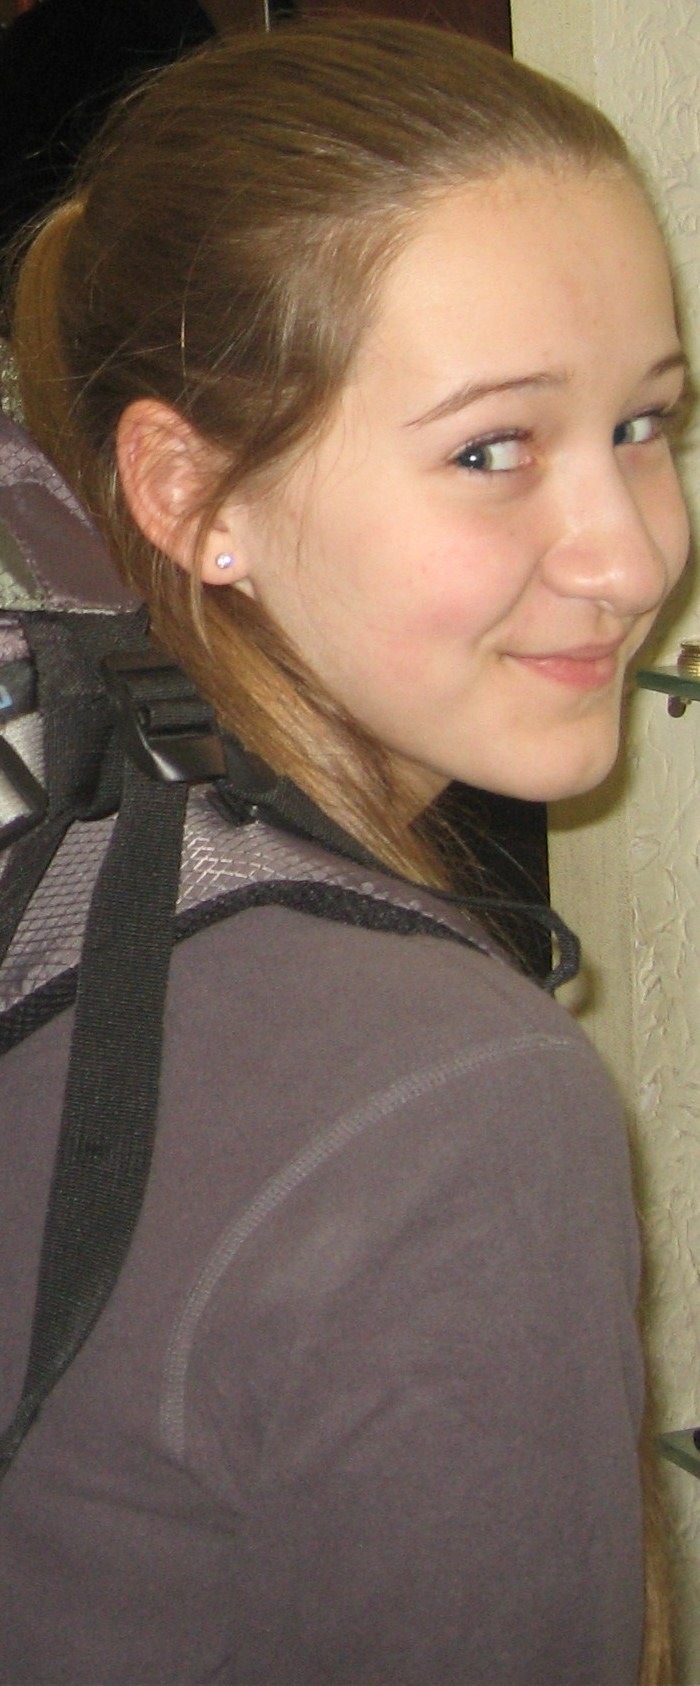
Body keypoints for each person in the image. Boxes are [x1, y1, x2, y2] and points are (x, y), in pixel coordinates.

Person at [0, 18, 690, 1685]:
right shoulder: (452, 1104)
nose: (629, 555)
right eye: (491, 450)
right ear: (188, 492)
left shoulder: (63, 816)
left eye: (647, 423)